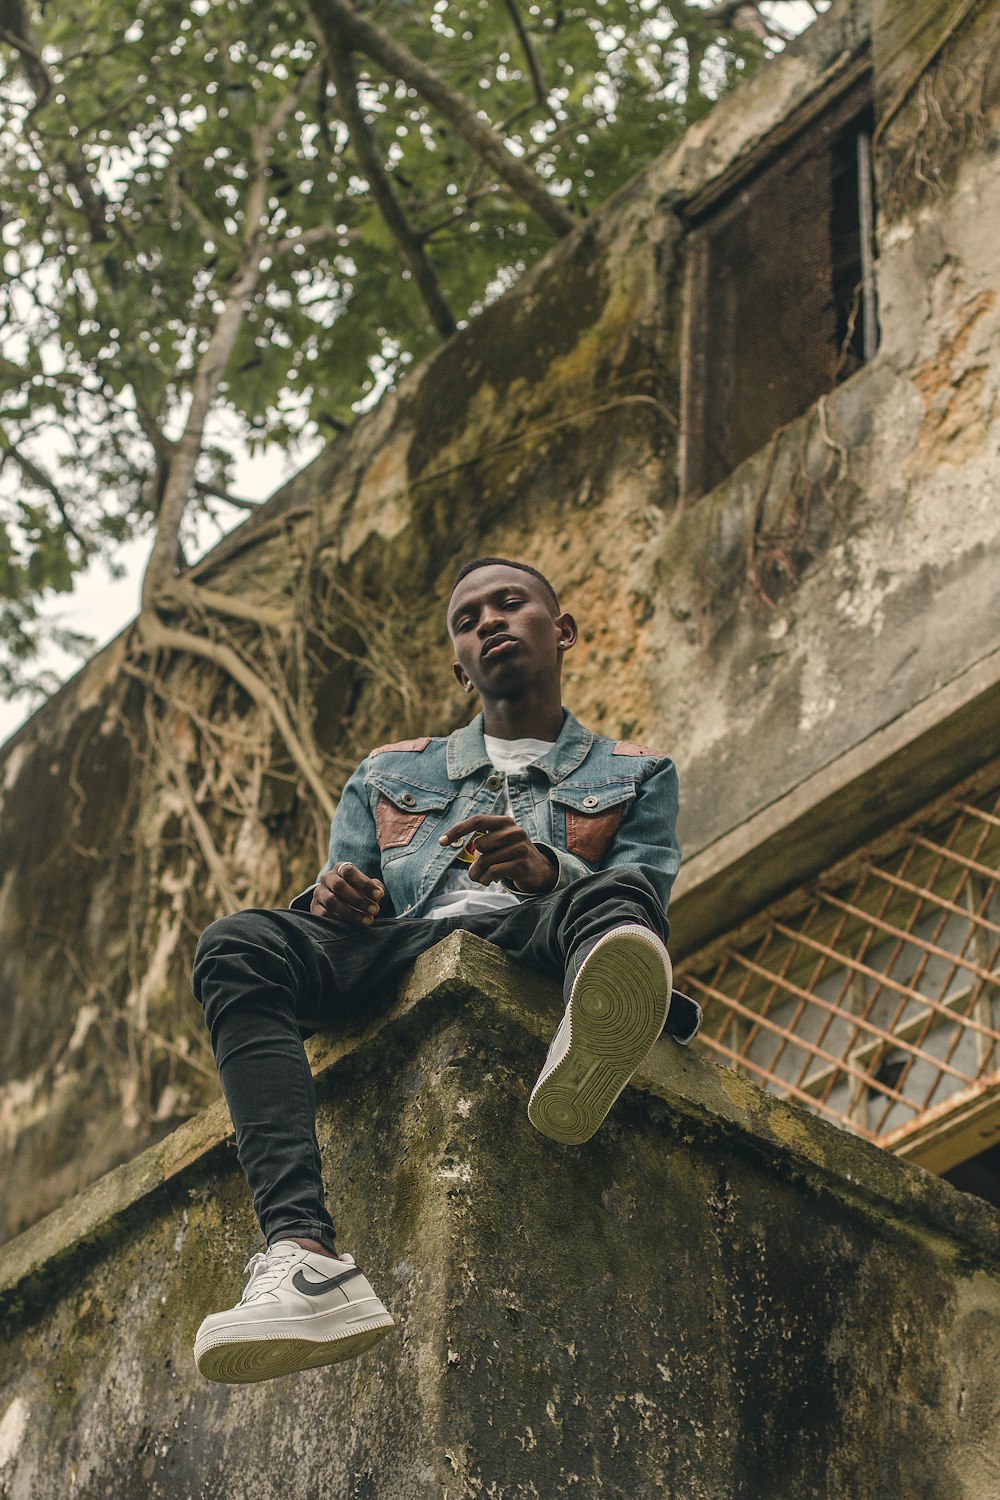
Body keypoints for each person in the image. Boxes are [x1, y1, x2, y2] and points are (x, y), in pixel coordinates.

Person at [190, 557, 700, 1384]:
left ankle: (597, 1020)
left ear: (561, 630)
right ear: (459, 667)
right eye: (468, 620)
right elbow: (336, 900)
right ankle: (301, 1258)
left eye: (511, 604)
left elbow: (649, 888)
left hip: (542, 930)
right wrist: (335, 903)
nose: (490, 622)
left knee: (619, 900)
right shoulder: (390, 771)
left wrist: (543, 870)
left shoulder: (637, 771)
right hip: (407, 941)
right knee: (237, 943)